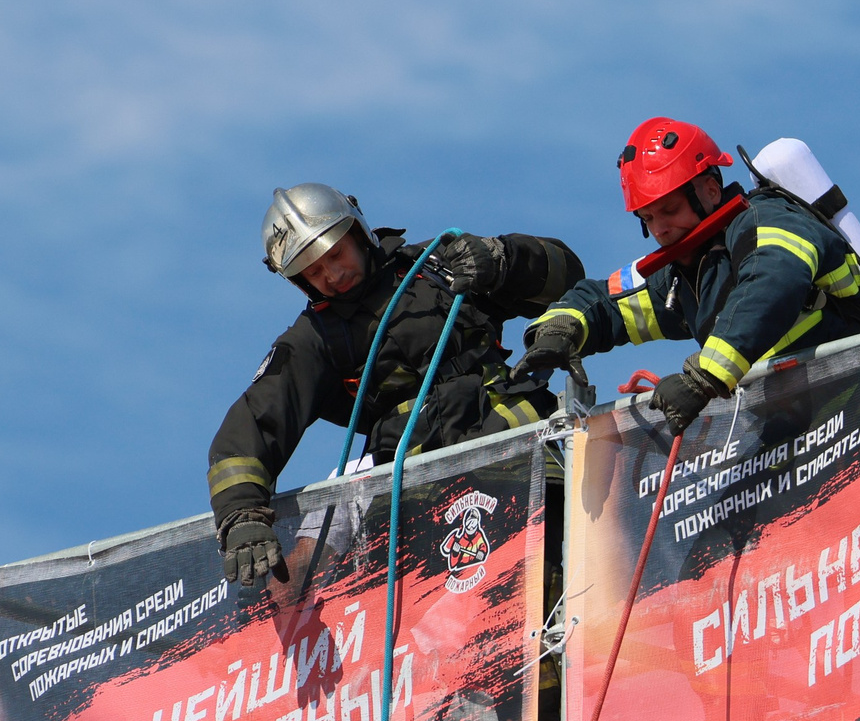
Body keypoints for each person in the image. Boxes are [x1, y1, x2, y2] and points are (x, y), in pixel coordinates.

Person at [206, 183, 584, 586]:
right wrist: (241, 515)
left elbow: (569, 280)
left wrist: (503, 258)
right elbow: (250, 428)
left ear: (358, 233)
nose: (332, 275)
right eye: (313, 271)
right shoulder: (312, 341)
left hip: (517, 455)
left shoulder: (438, 266)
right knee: (440, 626)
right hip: (416, 503)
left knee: (551, 588)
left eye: (336, 254)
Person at [515, 118, 860, 433]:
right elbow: (606, 303)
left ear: (710, 190)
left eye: (670, 209)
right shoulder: (683, 276)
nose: (660, 229)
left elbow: (770, 284)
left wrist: (703, 377)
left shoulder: (767, 220)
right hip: (798, 434)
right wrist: (560, 328)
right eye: (648, 218)